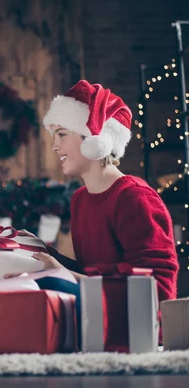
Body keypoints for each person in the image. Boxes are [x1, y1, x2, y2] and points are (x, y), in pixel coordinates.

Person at [14, 80, 179, 305]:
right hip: (96, 327)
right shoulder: (80, 200)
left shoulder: (135, 198)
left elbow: (159, 291)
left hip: (136, 336)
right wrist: (46, 254)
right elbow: (92, 274)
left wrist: (65, 274)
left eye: (61, 134)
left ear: (94, 139)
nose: (54, 146)